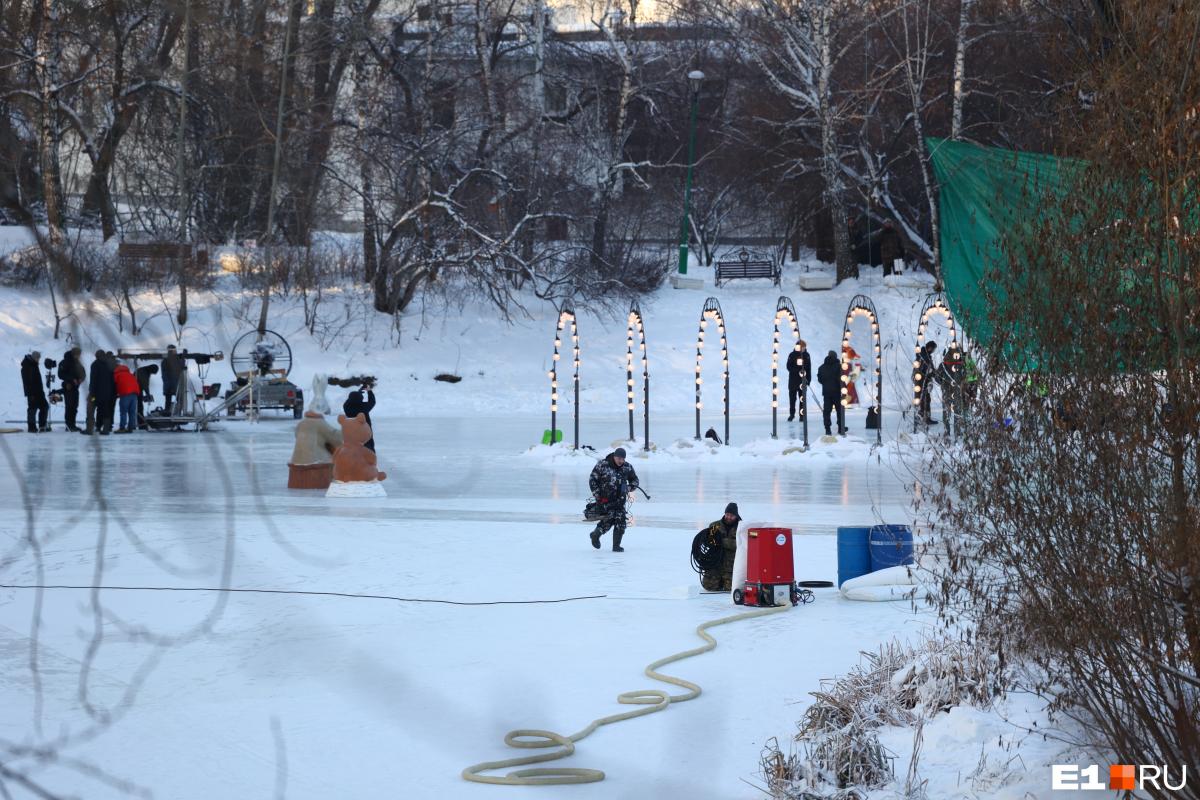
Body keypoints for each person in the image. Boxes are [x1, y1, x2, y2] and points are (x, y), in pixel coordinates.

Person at [587, 447, 640, 552]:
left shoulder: (627, 467)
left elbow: (635, 480)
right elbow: (592, 479)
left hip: (620, 500)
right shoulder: (603, 465)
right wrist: (597, 495)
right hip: (605, 499)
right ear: (614, 456)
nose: (620, 461)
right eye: (618, 458)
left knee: (621, 522)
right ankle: (595, 535)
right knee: (608, 520)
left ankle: (616, 546)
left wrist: (630, 487)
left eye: (622, 459)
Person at [699, 503, 741, 592]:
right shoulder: (715, 525)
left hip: (732, 566)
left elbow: (740, 544)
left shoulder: (741, 527)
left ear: (736, 516)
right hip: (716, 563)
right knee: (708, 586)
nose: (729, 517)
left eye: (732, 515)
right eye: (727, 514)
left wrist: (722, 541)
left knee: (730, 588)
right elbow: (709, 541)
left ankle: (724, 581)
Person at [84, 349, 116, 435]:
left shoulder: (95, 364)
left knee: (90, 410)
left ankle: (89, 429)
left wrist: (92, 393)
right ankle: (106, 429)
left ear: (97, 356)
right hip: (106, 394)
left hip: (96, 393)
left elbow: (93, 380)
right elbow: (112, 380)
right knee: (105, 411)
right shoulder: (109, 365)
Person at [817, 350, 847, 436]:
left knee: (827, 411)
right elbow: (841, 379)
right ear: (835, 357)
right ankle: (841, 428)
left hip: (826, 393)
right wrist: (844, 389)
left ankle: (827, 429)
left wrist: (826, 384)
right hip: (837, 392)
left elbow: (820, 380)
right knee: (840, 410)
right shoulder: (839, 366)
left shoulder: (821, 367)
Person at [57, 346, 85, 431]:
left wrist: (81, 379)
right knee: (69, 407)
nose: (79, 356)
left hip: (76, 388)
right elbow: (61, 374)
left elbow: (83, 373)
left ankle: (73, 424)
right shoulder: (64, 362)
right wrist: (71, 379)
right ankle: (69, 425)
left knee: (74, 406)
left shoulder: (78, 362)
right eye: (78, 354)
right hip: (68, 387)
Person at [343, 384, 377, 452]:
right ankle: (370, 457)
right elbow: (372, 401)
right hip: (364, 430)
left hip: (351, 430)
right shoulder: (364, 407)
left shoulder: (346, 407)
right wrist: (369, 391)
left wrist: (360, 391)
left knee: (352, 444)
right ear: (361, 398)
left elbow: (352, 398)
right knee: (368, 443)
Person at [21, 351, 49, 433]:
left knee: (44, 407)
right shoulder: (27, 366)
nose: (38, 360)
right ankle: (31, 427)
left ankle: (42, 426)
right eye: (38, 358)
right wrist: (31, 394)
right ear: (34, 358)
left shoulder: (34, 365)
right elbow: (27, 382)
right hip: (32, 393)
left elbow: (37, 381)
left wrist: (41, 391)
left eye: (39, 358)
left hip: (39, 392)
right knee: (32, 409)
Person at [785, 340, 811, 422]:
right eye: (803, 347)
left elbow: (809, 368)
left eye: (804, 347)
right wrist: (798, 370)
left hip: (803, 381)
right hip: (793, 380)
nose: (804, 348)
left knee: (802, 399)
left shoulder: (806, 355)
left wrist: (808, 379)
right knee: (792, 399)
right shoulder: (792, 355)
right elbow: (788, 367)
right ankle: (792, 414)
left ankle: (802, 415)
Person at [916, 341, 938, 426]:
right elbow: (927, 369)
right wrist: (932, 373)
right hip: (923, 381)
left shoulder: (922, 355)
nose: (933, 351)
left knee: (922, 399)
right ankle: (926, 418)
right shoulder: (925, 357)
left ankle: (921, 417)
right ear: (930, 348)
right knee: (925, 399)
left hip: (922, 380)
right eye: (933, 349)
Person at [113, 362, 139, 433]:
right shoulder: (130, 374)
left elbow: (115, 385)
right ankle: (131, 427)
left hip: (125, 394)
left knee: (123, 412)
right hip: (134, 394)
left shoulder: (117, 375)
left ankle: (122, 428)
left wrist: (116, 394)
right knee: (132, 412)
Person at [135, 363, 159, 428]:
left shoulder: (144, 370)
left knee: (139, 407)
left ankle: (140, 423)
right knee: (139, 407)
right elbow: (145, 384)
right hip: (136, 390)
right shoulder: (144, 372)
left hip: (137, 389)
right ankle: (141, 424)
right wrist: (148, 394)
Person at [161, 345, 183, 413]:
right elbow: (182, 366)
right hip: (175, 383)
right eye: (175, 350)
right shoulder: (176, 359)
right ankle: (178, 411)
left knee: (168, 399)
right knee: (179, 399)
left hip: (171, 383)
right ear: (173, 350)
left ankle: (168, 411)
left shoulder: (165, 360)